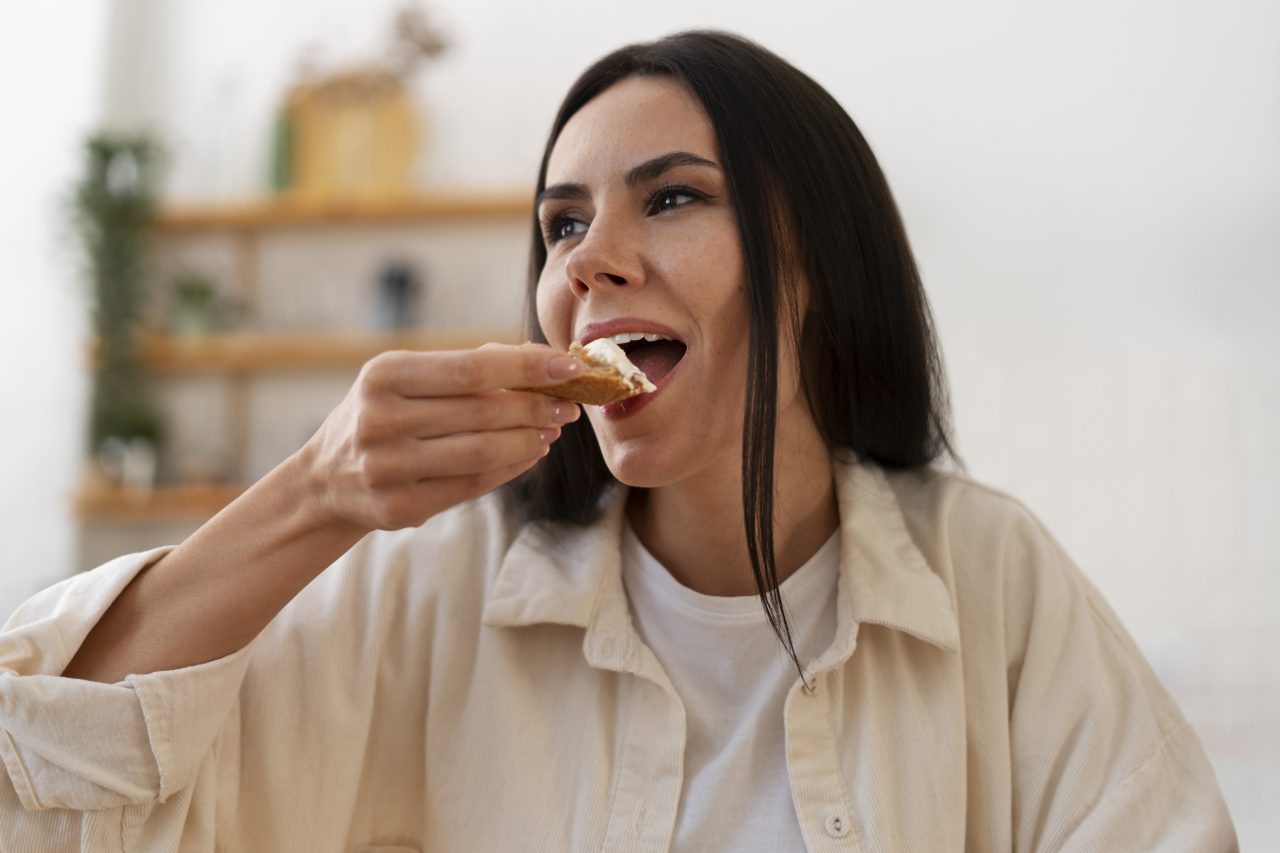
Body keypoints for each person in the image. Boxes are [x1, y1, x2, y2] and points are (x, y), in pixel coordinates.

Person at [0, 30, 1235, 853]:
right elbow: (53, 793)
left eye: (673, 196)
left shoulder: (990, 578)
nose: (586, 260)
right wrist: (318, 494)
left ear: (815, 258)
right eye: (560, 224)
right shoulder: (440, 581)